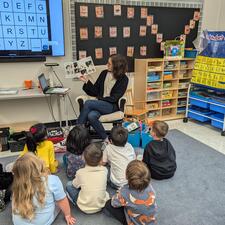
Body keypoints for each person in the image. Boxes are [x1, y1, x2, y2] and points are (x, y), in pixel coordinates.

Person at [12, 153, 76, 225]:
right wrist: (68, 215)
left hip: (18, 223)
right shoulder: (52, 180)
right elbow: (62, 200)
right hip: (42, 222)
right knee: (58, 200)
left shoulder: (16, 184)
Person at [77, 54, 129, 140]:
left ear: (116, 66)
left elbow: (114, 98)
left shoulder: (124, 79)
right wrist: (86, 81)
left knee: (88, 103)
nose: (106, 65)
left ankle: (77, 132)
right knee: (91, 115)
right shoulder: (104, 73)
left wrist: (99, 99)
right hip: (100, 104)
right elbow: (95, 91)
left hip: (111, 105)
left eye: (109, 64)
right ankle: (106, 139)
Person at [104, 160, 157, 225]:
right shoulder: (150, 188)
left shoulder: (125, 192)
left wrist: (120, 193)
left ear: (126, 176)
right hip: (150, 222)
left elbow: (114, 203)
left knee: (108, 204)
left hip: (133, 222)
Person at [66, 143, 109, 214]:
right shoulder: (105, 170)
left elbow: (74, 185)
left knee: (69, 184)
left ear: (84, 158)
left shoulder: (80, 172)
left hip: (84, 207)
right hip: (101, 205)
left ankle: (76, 201)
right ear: (101, 159)